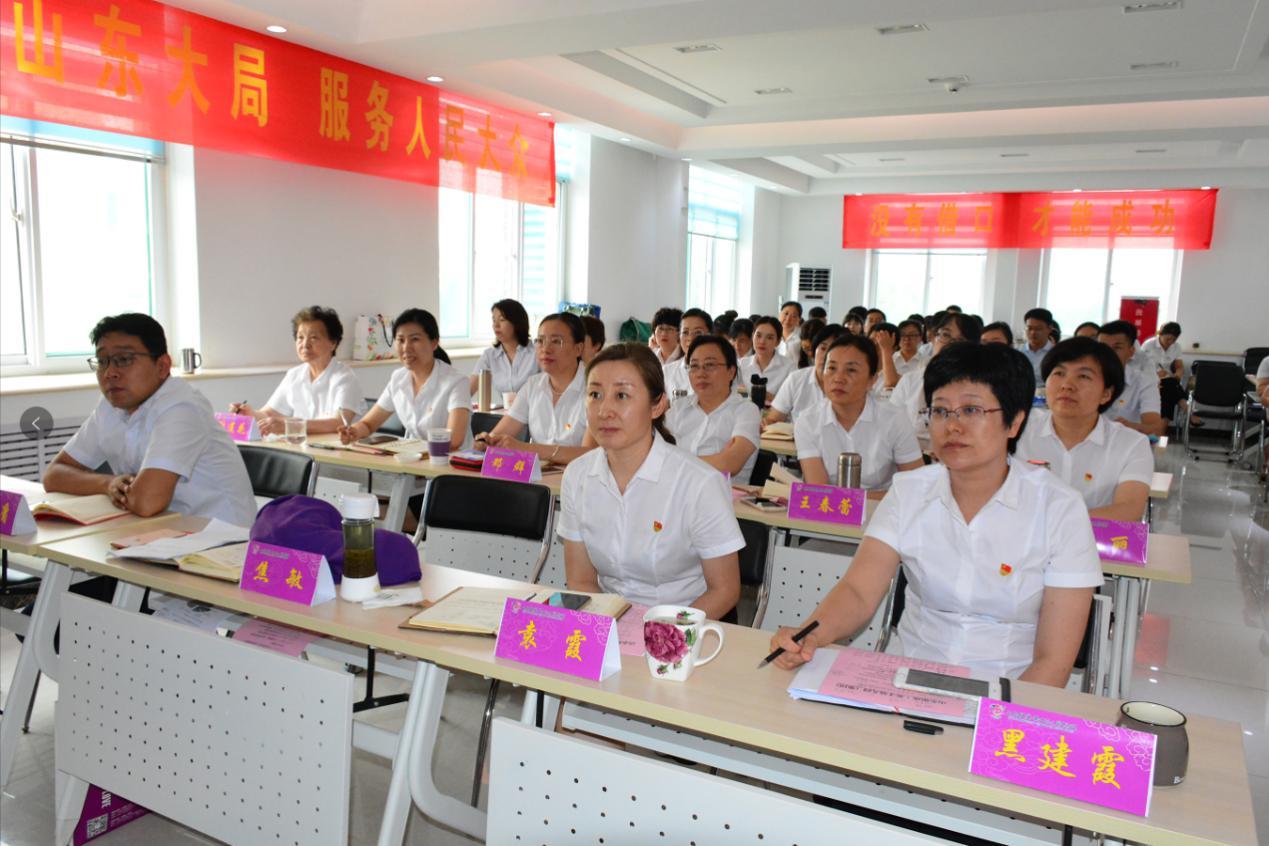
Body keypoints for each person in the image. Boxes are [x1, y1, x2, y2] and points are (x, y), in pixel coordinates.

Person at [770, 342, 1101, 685]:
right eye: (941, 411)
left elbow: (1054, 661)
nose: (952, 426)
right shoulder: (909, 491)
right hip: (907, 677)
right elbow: (858, 591)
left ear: (1014, 421)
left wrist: (1001, 713)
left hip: (1008, 685)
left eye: (971, 410)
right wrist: (811, 634)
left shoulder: (1060, 508)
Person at [559, 343, 743, 620]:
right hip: (612, 621)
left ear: (657, 405)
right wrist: (611, 628)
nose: (604, 410)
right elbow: (581, 580)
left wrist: (663, 634)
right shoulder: (577, 475)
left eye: (622, 395)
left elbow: (724, 590)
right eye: (595, 394)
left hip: (688, 624)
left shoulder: (699, 483)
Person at [45, 313, 255, 526]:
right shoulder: (110, 407)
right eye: (102, 361)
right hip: (157, 530)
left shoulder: (182, 407)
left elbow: (146, 502)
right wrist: (107, 484)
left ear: (162, 366)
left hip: (220, 537)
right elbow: (53, 475)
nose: (110, 373)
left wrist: (118, 489)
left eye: (124, 360)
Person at [1018, 338, 1152, 521]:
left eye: (1083, 376)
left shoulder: (1132, 444)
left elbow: (1128, 511)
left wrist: (1051, 524)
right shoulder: (1017, 429)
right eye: (1059, 373)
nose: (1067, 385)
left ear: (1106, 394)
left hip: (1092, 539)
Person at [795, 335, 923, 490]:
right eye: (832, 368)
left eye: (851, 370)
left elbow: (915, 487)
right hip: (832, 506)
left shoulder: (894, 419)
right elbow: (819, 490)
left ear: (872, 380)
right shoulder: (808, 421)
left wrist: (859, 499)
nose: (838, 378)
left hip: (884, 505)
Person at [339, 309, 470, 452]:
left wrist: (411, 448)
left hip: (450, 461)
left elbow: (454, 440)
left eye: (415, 339)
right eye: (400, 340)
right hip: (413, 460)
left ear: (434, 343)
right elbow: (369, 424)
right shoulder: (398, 378)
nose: (406, 347)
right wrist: (353, 431)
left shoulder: (457, 382)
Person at [477, 313, 598, 465]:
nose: (545, 349)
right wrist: (486, 441)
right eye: (540, 341)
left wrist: (526, 448)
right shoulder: (533, 385)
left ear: (578, 349)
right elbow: (498, 435)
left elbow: (588, 454)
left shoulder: (596, 390)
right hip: (539, 476)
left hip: (580, 477)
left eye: (556, 341)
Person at [229, 305, 364, 436]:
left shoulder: (344, 378)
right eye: (300, 337)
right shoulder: (294, 374)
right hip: (302, 447)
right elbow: (269, 414)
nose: (305, 344)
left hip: (336, 448)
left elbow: (339, 423)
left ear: (333, 343)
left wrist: (290, 425)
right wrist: (250, 414)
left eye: (313, 338)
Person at [666, 336, 761, 482]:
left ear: (731, 371)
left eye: (710, 365)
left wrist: (674, 462)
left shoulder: (746, 411)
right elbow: (653, 454)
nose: (701, 373)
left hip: (724, 494)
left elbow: (730, 463)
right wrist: (716, 459)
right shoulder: (678, 408)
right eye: (694, 366)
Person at [890, 312, 982, 453]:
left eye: (960, 339)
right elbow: (891, 425)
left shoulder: (981, 386)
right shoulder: (911, 380)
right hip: (912, 457)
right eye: (946, 335)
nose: (950, 343)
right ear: (933, 338)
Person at [766, 324, 846, 427]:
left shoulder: (852, 384)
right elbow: (773, 419)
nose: (827, 356)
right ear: (814, 351)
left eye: (834, 350)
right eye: (823, 348)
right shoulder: (796, 379)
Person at [1097, 320, 1167, 437]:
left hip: (1122, 441)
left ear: (1131, 352)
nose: (1108, 353)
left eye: (1117, 348)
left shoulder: (1144, 381)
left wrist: (1128, 427)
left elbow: (1155, 429)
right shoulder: (1082, 379)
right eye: (1103, 348)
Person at [469, 298, 537, 398]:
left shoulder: (537, 352)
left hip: (535, 408)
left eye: (502, 320)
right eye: (494, 320)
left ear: (516, 322)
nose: (496, 325)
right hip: (505, 408)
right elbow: (468, 390)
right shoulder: (489, 355)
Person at [1139, 321, 1190, 425]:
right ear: (1160, 334)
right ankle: (1186, 407)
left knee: (1169, 390)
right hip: (1148, 378)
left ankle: (1160, 428)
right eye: (1168, 339)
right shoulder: (1149, 345)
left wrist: (1179, 373)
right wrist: (1156, 374)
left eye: (1174, 340)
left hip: (1166, 380)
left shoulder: (1176, 347)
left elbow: (1179, 366)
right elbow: (1140, 366)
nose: (1170, 342)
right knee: (1171, 386)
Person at [663, 308, 713, 398]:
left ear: (710, 336)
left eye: (698, 333)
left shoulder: (721, 371)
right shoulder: (667, 372)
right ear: (679, 336)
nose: (690, 338)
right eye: (685, 332)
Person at [740, 316, 794, 398]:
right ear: (752, 336)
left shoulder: (789, 367)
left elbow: (793, 400)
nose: (762, 341)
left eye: (769, 338)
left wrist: (774, 399)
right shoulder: (742, 364)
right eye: (758, 336)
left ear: (778, 341)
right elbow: (736, 394)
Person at [1021, 307, 1056, 381]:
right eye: (1029, 328)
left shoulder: (1055, 353)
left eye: (1038, 329)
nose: (1033, 333)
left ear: (1050, 328)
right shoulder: (1018, 351)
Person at [868, 321, 901, 390]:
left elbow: (891, 384)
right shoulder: (861, 367)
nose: (875, 344)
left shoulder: (899, 369)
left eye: (881, 341)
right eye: (872, 340)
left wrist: (886, 349)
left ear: (895, 348)